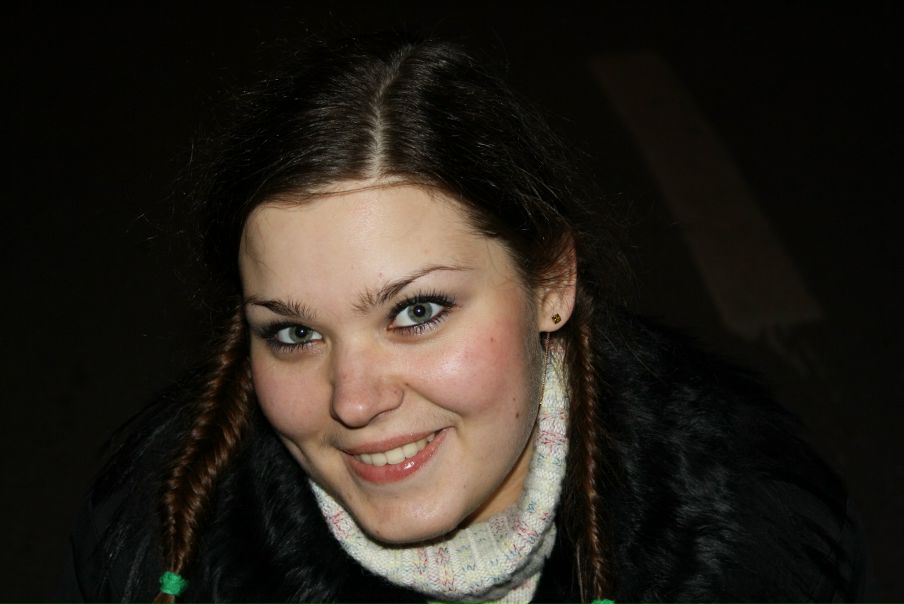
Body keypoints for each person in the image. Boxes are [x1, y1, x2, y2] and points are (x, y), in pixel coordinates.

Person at [60, 33, 864, 603]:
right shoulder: (163, 546)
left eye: (416, 312)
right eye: (295, 333)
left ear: (553, 282)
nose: (353, 400)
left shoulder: (749, 537)